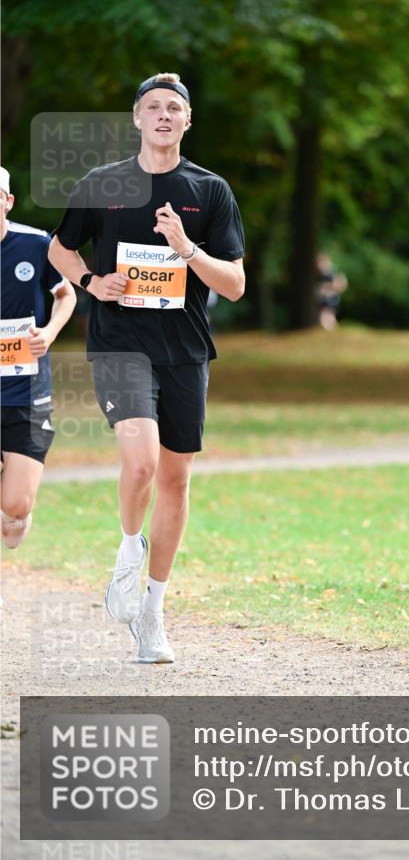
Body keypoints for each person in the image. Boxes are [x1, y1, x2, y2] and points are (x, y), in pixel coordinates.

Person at [48, 73, 245, 661]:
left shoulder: (209, 192)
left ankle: (152, 612)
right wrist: (89, 282)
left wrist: (187, 248)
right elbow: (59, 248)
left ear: (188, 122)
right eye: (153, 107)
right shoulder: (102, 183)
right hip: (119, 343)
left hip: (184, 350)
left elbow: (233, 285)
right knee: (141, 465)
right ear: (136, 118)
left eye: (174, 109)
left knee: (176, 480)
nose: (163, 115)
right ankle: (128, 552)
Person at [0, 166, 76, 550]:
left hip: (27, 393)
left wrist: (49, 333)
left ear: (7, 201)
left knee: (13, 510)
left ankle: (16, 513)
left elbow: (67, 295)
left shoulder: (35, 244)